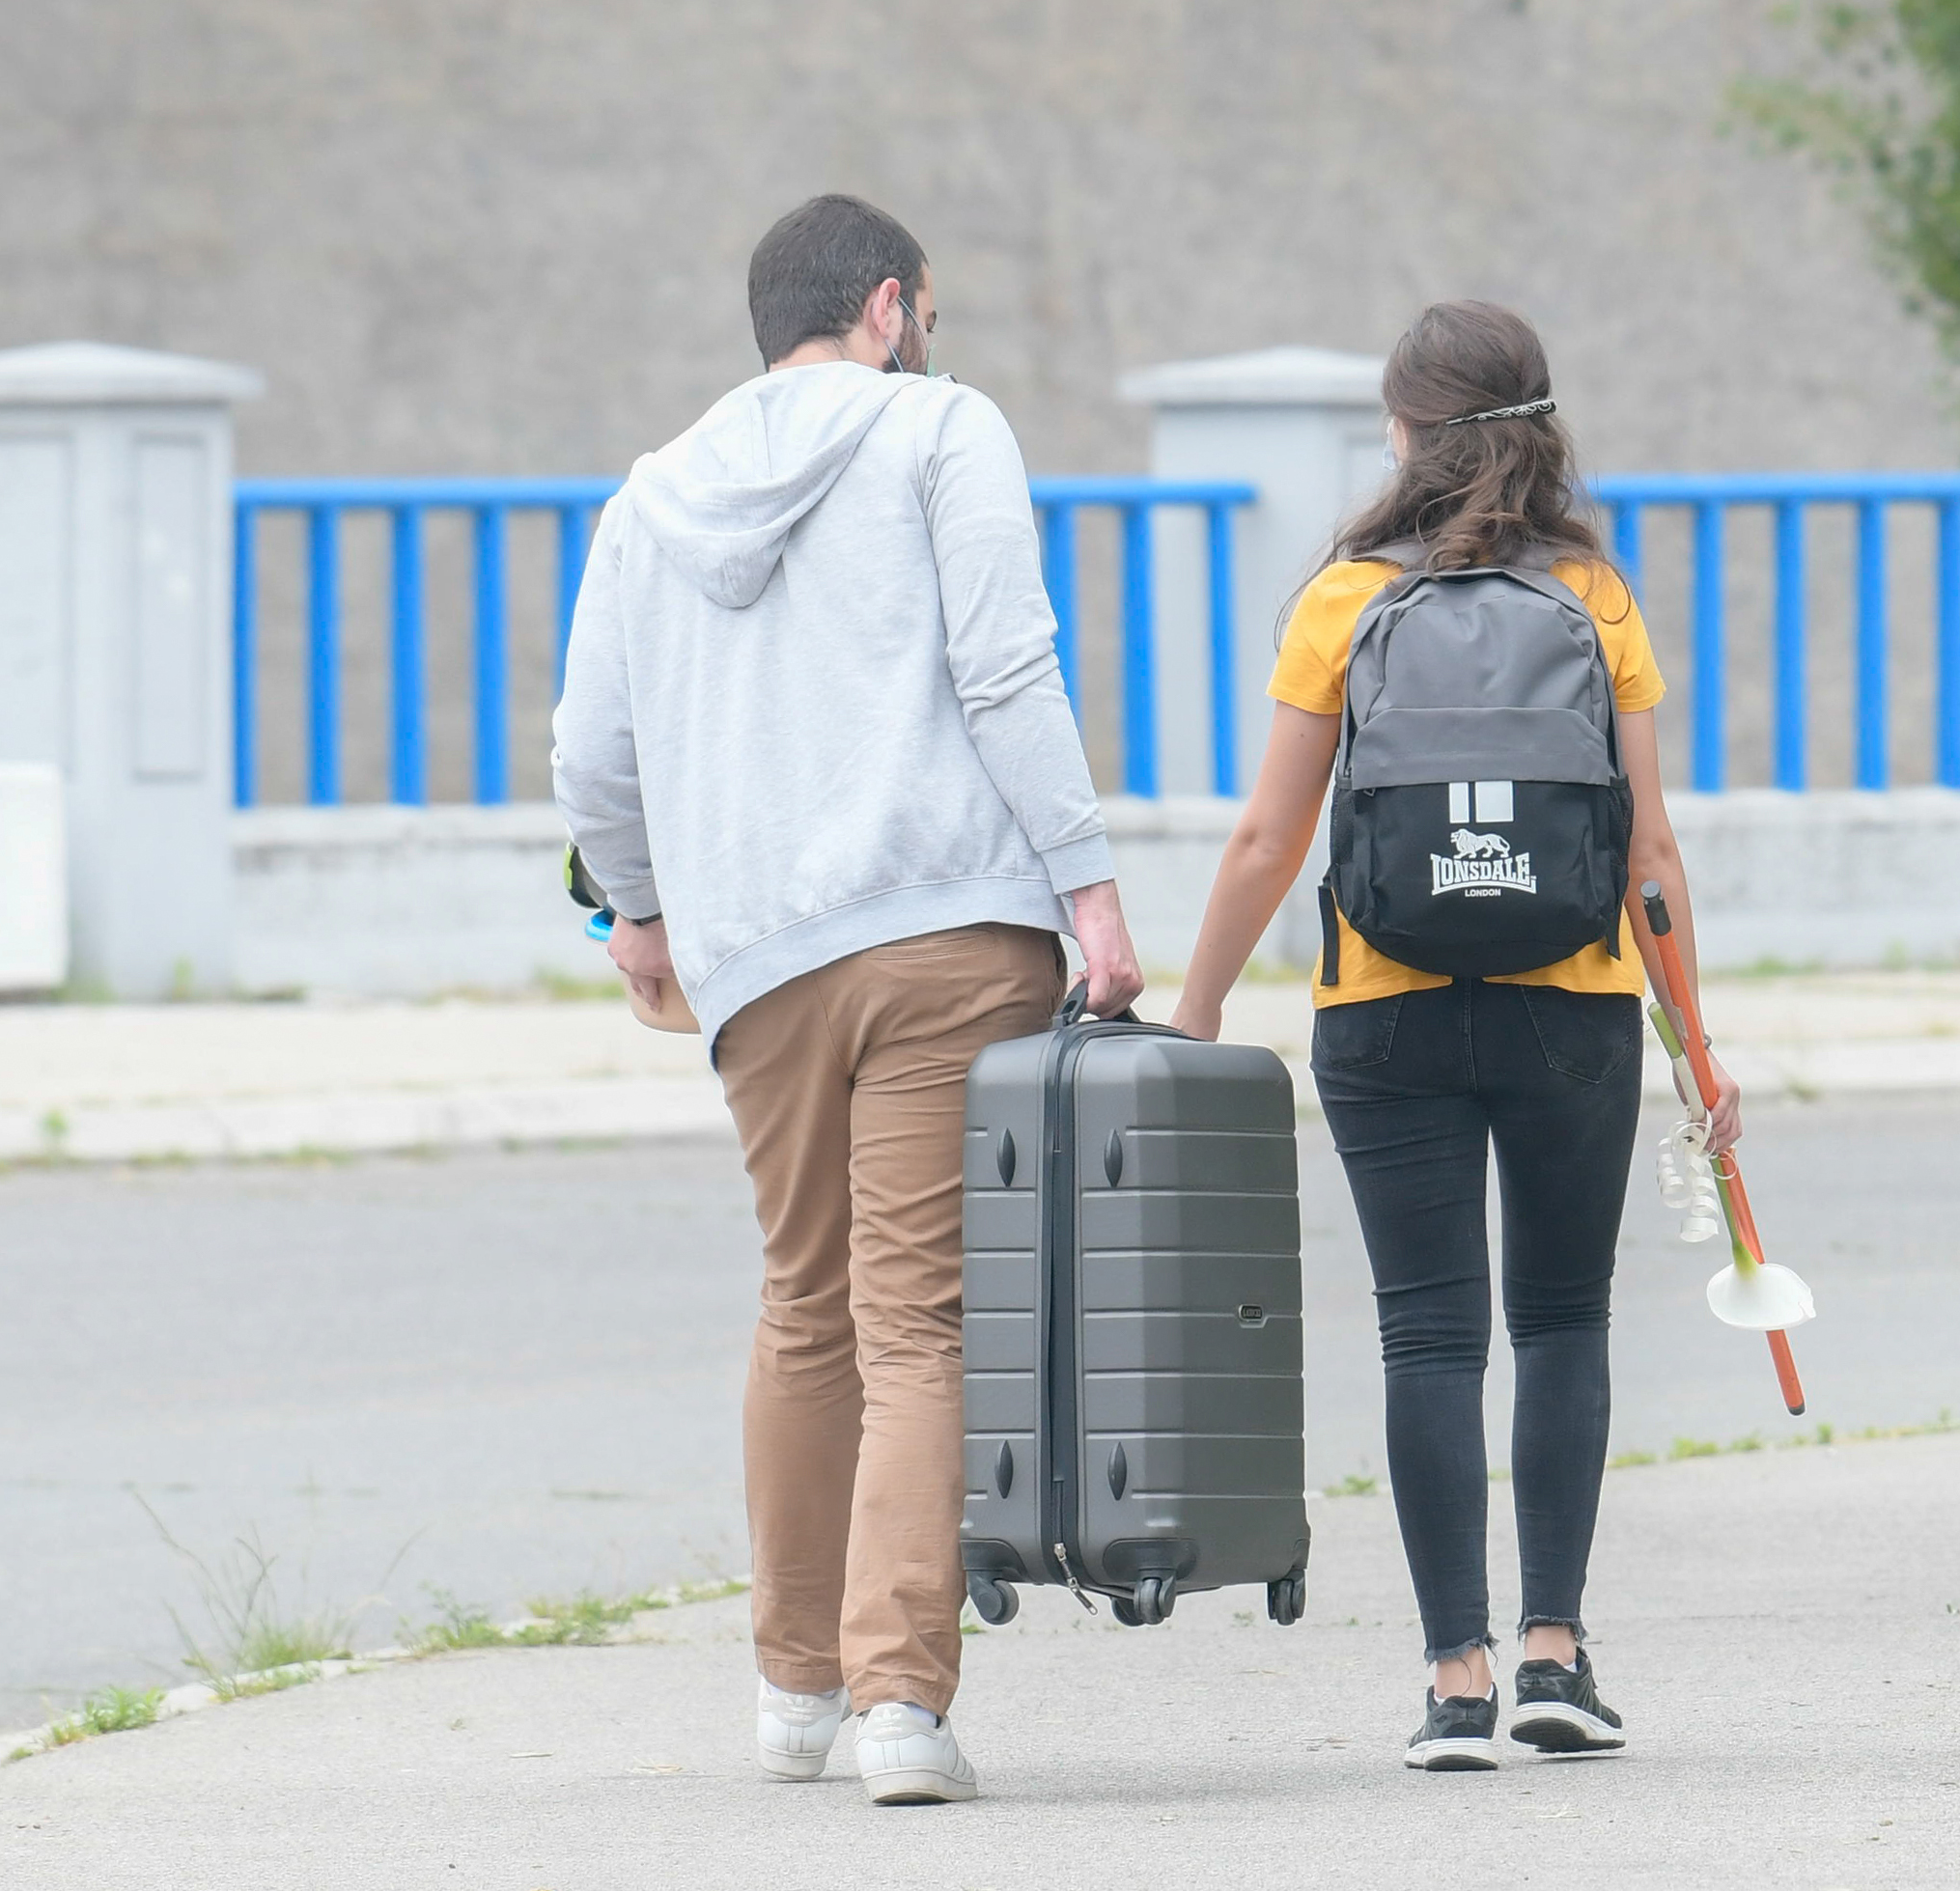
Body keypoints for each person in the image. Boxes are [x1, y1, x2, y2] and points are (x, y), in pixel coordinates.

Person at [551, 193, 1143, 1806]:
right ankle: (902, 1708)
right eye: (928, 313)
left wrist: (646, 914)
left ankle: (793, 1691)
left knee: (805, 1303)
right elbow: (1006, 665)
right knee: (919, 1318)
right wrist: (1089, 886)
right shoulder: (942, 433)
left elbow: (590, 756)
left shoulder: (652, 495)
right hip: (948, 924)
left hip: (758, 962)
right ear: (889, 308)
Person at [1170, 300, 1741, 1772]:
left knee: (1430, 1334)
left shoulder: (1345, 599)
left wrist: (1194, 1006)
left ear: (1409, 431)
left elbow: (1266, 839)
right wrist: (1696, 1047)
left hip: (1386, 1005)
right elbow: (1652, 857)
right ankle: (1557, 1652)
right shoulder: (1595, 597)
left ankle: (1458, 1682)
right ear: (1542, 428)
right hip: (1575, 1001)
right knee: (1562, 1322)